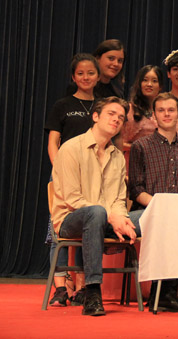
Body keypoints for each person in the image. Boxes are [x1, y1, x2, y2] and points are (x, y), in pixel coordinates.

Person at [49, 97, 138, 316]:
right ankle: (93, 291)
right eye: (111, 114)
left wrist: (120, 218)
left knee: (151, 216)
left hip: (105, 220)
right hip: (71, 220)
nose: (116, 120)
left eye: (121, 118)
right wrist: (111, 217)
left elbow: (118, 200)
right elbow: (72, 199)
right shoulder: (71, 148)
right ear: (95, 116)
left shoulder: (118, 157)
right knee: (96, 212)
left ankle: (164, 293)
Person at [127, 92, 178, 313]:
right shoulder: (141, 146)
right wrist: (162, 207)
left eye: (171, 110)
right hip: (147, 212)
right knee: (169, 222)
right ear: (154, 115)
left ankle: (167, 294)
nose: (166, 114)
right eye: (161, 110)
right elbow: (136, 189)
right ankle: (164, 295)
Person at [44, 53, 101, 307]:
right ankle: (59, 287)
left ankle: (81, 287)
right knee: (57, 229)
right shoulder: (63, 105)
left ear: (98, 77)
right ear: (73, 77)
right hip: (64, 173)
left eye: (90, 73)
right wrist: (60, 170)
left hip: (92, 175)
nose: (85, 77)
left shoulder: (102, 106)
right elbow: (53, 142)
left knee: (86, 228)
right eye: (80, 73)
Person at [120, 65, 163, 169]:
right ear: (139, 84)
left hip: (158, 164)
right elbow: (118, 142)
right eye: (145, 80)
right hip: (132, 164)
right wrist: (141, 148)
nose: (149, 84)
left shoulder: (164, 110)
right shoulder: (129, 110)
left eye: (154, 81)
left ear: (160, 86)